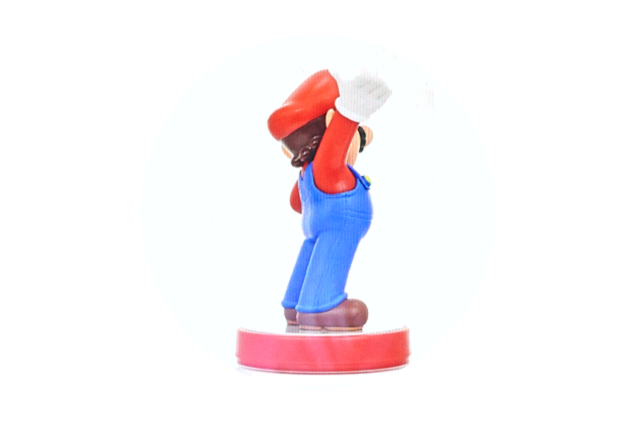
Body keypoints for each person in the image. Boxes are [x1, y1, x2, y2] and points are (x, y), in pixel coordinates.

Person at [268, 69, 391, 330]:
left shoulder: (307, 174)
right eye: (356, 137)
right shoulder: (327, 168)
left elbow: (296, 203)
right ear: (332, 120)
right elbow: (335, 143)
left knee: (312, 251)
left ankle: (295, 303)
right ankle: (321, 306)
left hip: (315, 227)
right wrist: (351, 112)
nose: (358, 145)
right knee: (332, 253)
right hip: (337, 228)